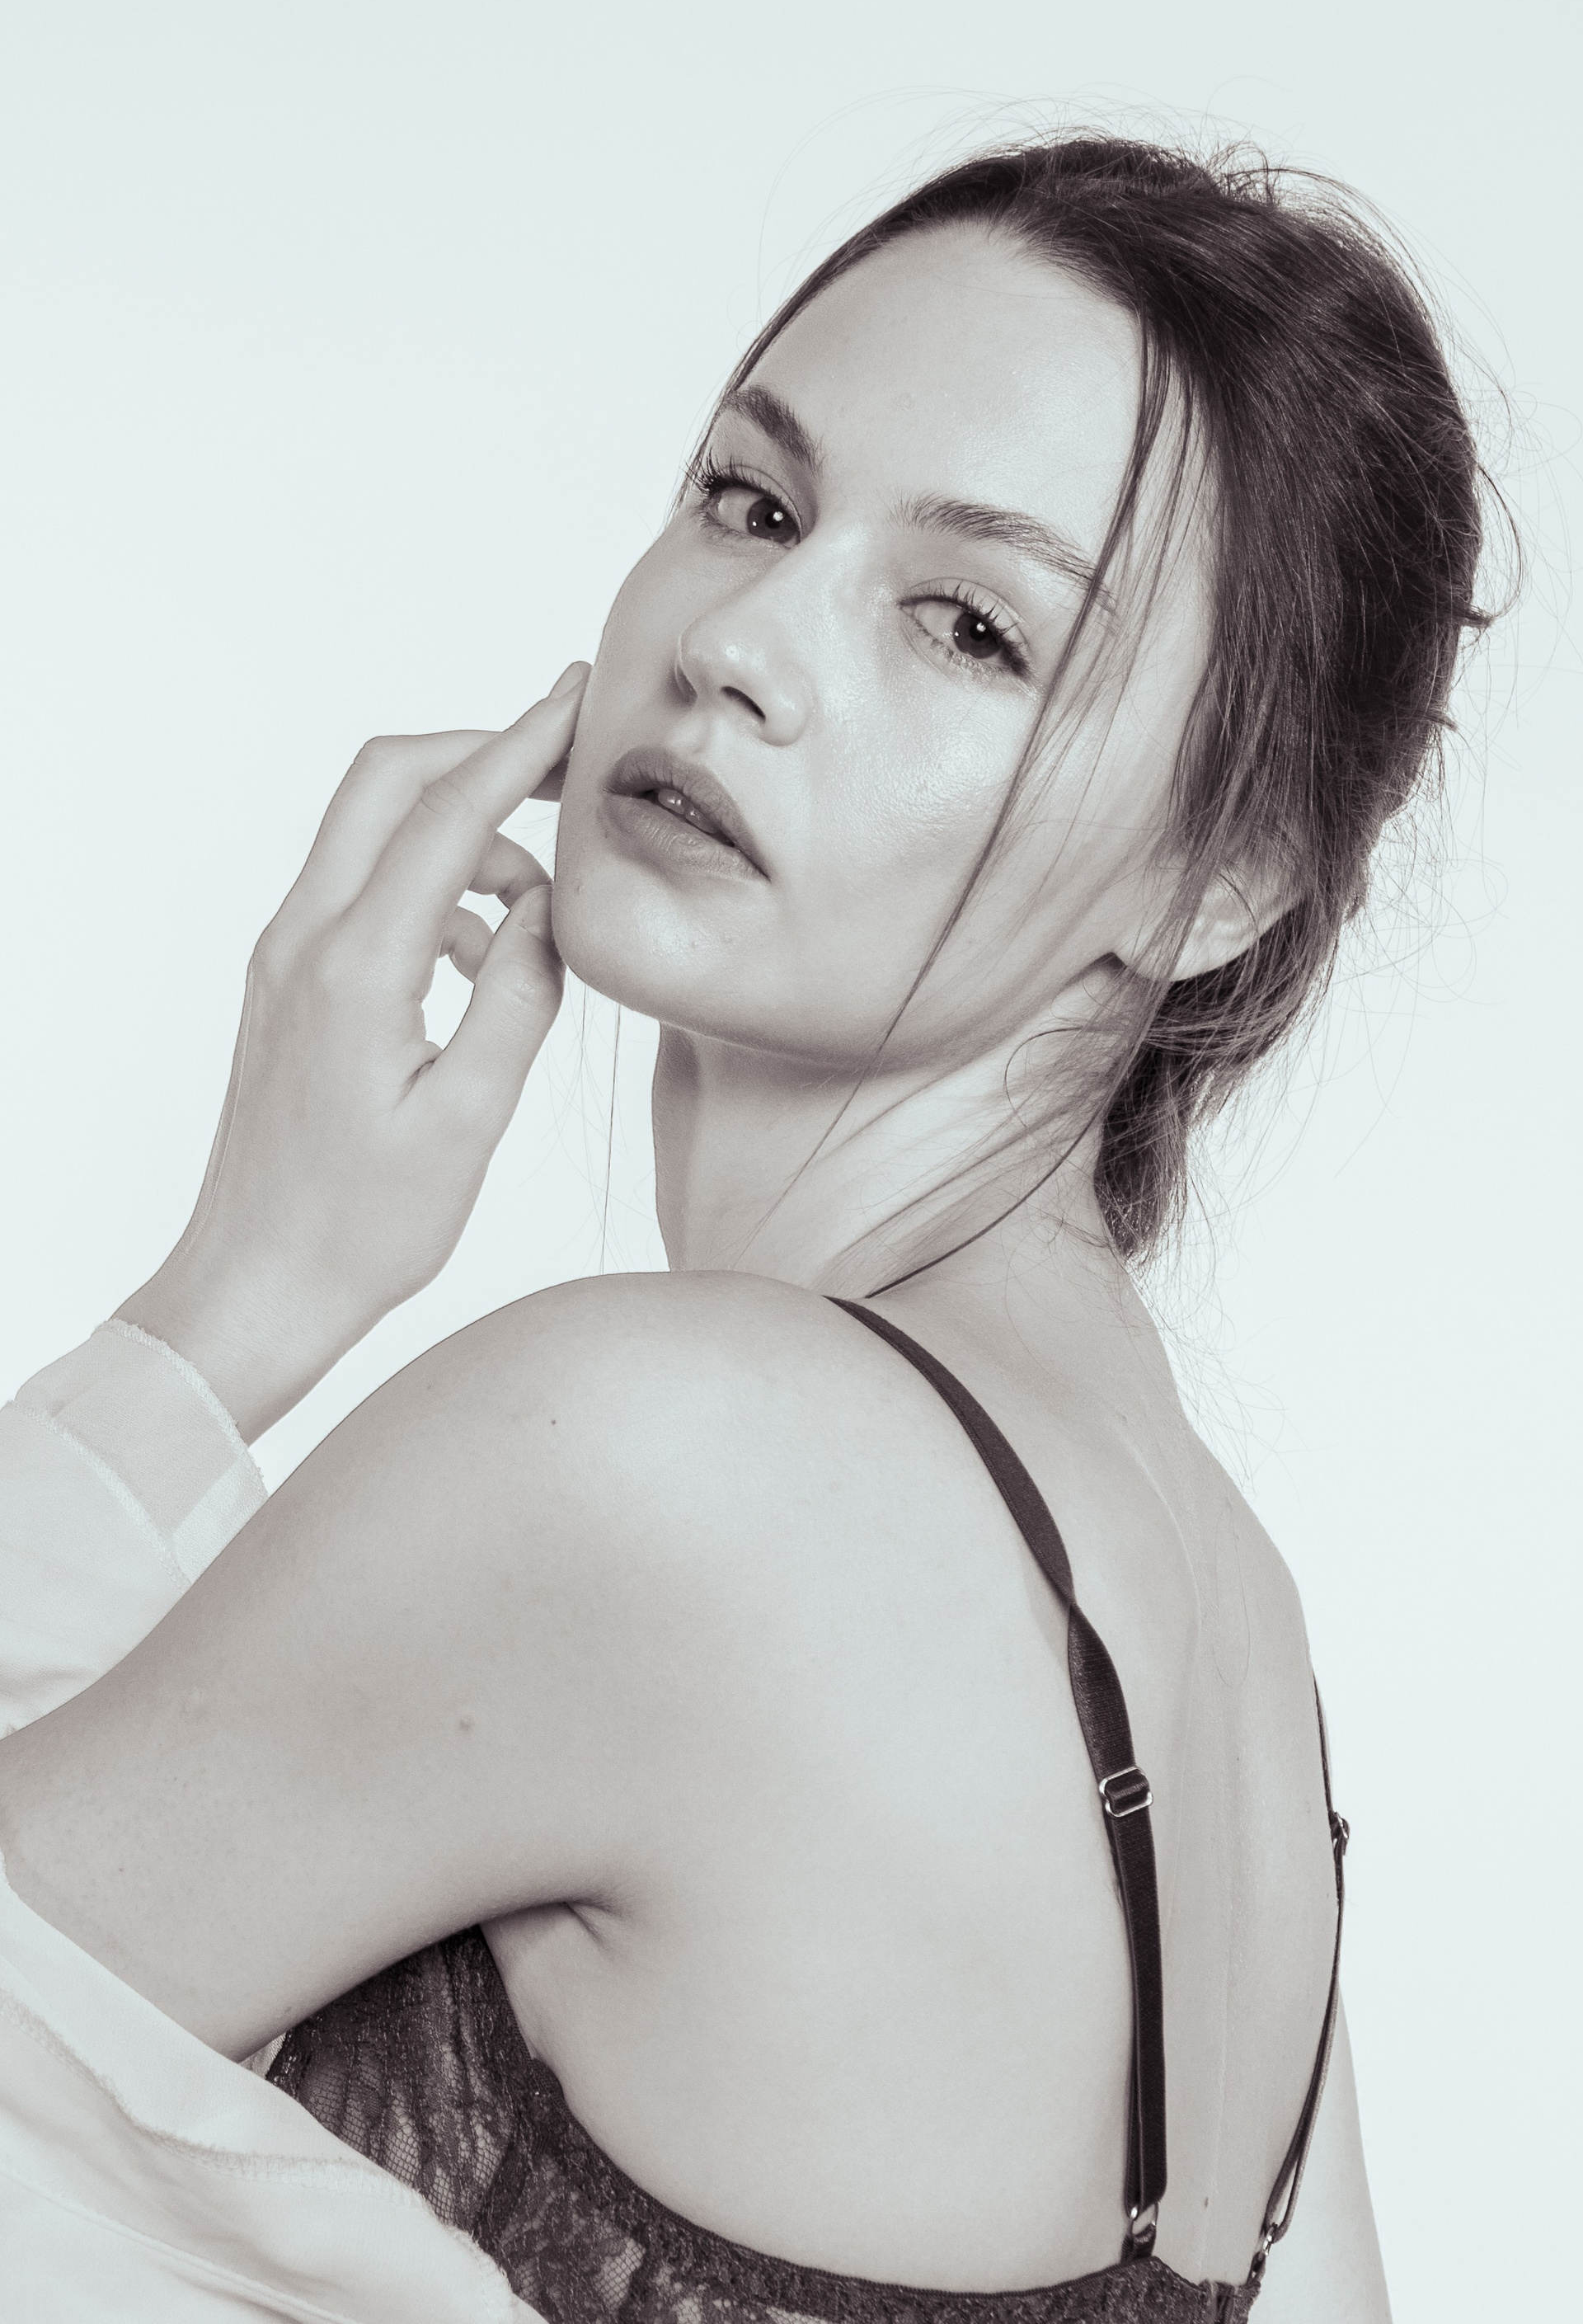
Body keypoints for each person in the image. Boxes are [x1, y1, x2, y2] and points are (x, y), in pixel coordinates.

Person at [0, 134, 1490, 2322]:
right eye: (753, 502)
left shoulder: (673, 1455)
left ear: (1220, 876)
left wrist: (234, 1305)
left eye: (970, 628)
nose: (742, 646)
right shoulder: (1233, 1640)